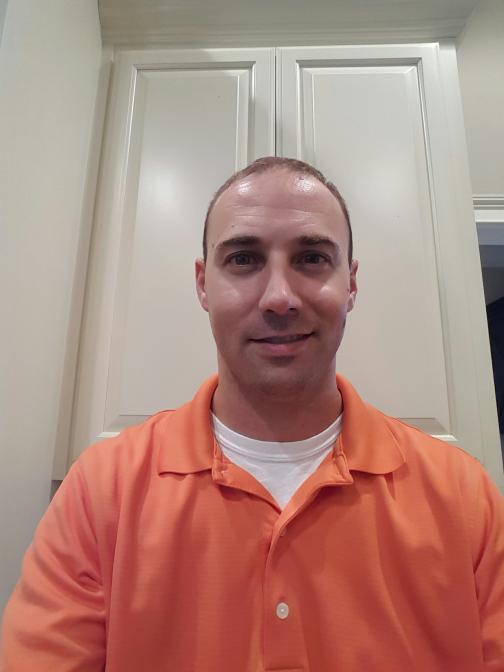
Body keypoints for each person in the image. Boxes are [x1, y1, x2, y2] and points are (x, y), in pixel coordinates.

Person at [1, 157, 503, 671]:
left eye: (312, 258)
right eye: (244, 259)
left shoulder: (466, 497)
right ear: (203, 284)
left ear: (351, 284)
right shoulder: (101, 491)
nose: (279, 298)